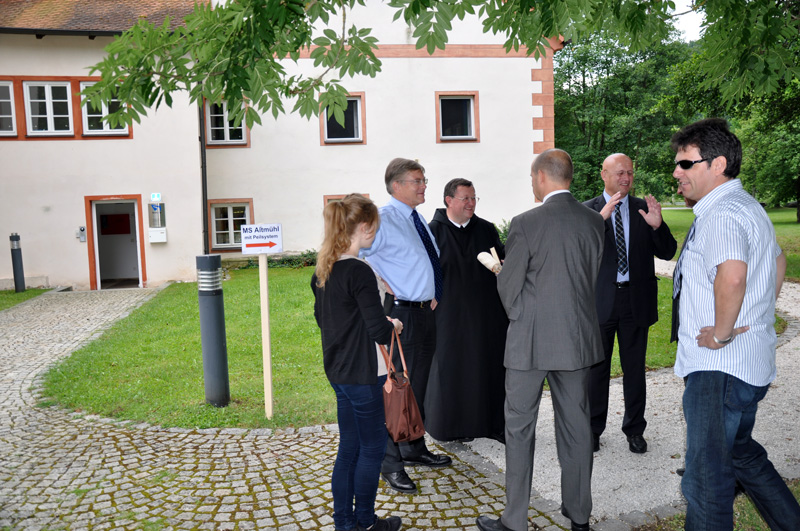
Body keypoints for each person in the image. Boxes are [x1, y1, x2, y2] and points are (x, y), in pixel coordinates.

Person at [671, 118, 800, 530]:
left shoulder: (723, 213)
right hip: (745, 365)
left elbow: (733, 276)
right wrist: (757, 314)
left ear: (718, 164)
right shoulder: (746, 205)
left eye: (686, 163)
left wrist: (723, 332)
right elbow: (777, 261)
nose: (677, 172)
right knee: (741, 454)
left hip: (719, 370)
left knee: (706, 482)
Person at [476, 149, 604, 531]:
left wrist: (500, 273)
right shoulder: (594, 221)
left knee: (519, 429)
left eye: (533, 177)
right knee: (577, 427)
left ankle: (514, 520)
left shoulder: (525, 223)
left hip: (529, 342)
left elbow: (510, 288)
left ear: (543, 177)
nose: (532, 183)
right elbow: (587, 279)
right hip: (576, 339)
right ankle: (579, 515)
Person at [311, 194, 406, 531]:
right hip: (364, 374)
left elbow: (325, 321)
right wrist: (393, 322)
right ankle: (364, 522)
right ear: (364, 228)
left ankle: (345, 523)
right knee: (371, 448)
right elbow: (378, 329)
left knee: (349, 448)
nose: (375, 235)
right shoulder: (360, 271)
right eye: (374, 229)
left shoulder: (324, 269)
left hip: (338, 372)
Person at [360, 158, 452, 495]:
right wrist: (381, 282)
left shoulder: (416, 219)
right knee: (394, 390)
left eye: (424, 179)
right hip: (400, 315)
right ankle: (390, 464)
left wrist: (431, 293)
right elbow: (359, 254)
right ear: (396, 185)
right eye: (417, 180)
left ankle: (412, 446)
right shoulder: (383, 219)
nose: (424, 185)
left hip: (424, 313)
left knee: (417, 386)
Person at [583, 154, 677, 453]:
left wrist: (657, 225)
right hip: (600, 302)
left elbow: (667, 251)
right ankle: (592, 430)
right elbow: (579, 254)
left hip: (635, 300)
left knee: (634, 370)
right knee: (596, 370)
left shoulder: (641, 209)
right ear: (604, 175)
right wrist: (599, 222)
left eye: (630, 173)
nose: (626, 178)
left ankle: (635, 429)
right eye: (620, 172)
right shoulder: (587, 211)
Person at [425, 178, 507, 443]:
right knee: (453, 369)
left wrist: (502, 262)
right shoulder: (432, 232)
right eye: (466, 199)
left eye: (474, 198)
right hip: (449, 315)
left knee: (488, 366)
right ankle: (453, 428)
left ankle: (493, 425)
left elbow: (501, 258)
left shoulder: (486, 229)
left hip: (486, 314)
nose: (471, 203)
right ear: (449, 200)